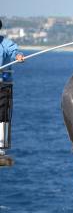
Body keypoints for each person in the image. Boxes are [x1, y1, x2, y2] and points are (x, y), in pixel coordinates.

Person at [0, 19, 24, 157]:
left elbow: (14, 51)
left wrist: (19, 56)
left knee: (2, 115)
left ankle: (1, 147)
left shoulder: (5, 43)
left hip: (3, 84)